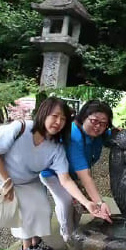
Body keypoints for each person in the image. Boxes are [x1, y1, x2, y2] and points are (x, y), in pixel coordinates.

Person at [0, 97, 109, 250]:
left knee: (43, 208)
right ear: (43, 113)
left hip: (29, 179)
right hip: (3, 176)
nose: (58, 122)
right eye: (55, 116)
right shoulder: (21, 128)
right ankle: (26, 249)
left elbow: (66, 180)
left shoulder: (56, 147)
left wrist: (87, 203)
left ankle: (36, 244)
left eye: (63, 119)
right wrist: (6, 181)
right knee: (26, 209)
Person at [41, 100, 114, 242]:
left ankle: (74, 228)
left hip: (73, 175)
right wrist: (100, 202)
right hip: (52, 173)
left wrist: (118, 131)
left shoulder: (99, 134)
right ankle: (68, 235)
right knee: (66, 201)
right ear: (83, 117)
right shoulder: (74, 136)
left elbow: (111, 134)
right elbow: (85, 177)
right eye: (94, 121)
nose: (98, 126)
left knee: (81, 202)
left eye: (103, 123)